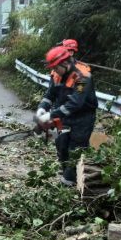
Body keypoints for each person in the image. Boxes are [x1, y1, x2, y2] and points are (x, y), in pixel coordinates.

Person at [35, 44, 98, 186]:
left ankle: (68, 183)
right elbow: (49, 95)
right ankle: (69, 177)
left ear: (65, 63)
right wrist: (42, 108)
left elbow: (75, 104)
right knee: (62, 146)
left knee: (75, 150)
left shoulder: (83, 78)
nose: (54, 70)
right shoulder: (57, 75)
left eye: (56, 67)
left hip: (82, 118)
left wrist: (51, 115)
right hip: (64, 116)